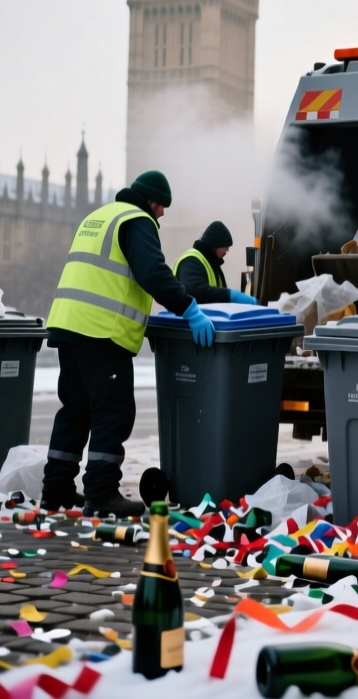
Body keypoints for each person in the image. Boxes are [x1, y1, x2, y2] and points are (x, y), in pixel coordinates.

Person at [44, 171, 213, 516]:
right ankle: (101, 492)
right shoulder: (137, 221)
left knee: (75, 410)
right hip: (102, 332)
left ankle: (56, 488)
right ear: (151, 201)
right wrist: (189, 308)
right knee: (113, 411)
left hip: (68, 325)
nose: (162, 214)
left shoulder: (98, 217)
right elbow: (153, 272)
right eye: (162, 206)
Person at [175, 220, 260, 306]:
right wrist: (231, 296)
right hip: (187, 319)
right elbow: (195, 291)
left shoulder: (212, 263)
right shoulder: (190, 261)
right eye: (226, 246)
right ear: (215, 245)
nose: (227, 250)